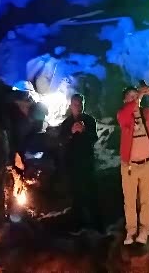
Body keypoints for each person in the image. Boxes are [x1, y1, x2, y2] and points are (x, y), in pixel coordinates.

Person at [117, 82, 149, 246]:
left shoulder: (146, 114)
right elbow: (123, 116)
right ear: (125, 101)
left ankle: (144, 230)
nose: (134, 99)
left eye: (135, 95)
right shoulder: (123, 115)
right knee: (129, 200)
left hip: (147, 164)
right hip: (129, 166)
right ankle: (131, 231)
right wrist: (136, 99)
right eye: (130, 97)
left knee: (146, 199)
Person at [59, 93, 100, 231]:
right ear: (71, 106)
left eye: (81, 103)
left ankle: (94, 224)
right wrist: (71, 132)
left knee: (90, 191)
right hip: (72, 163)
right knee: (75, 192)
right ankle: (77, 223)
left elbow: (94, 139)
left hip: (87, 161)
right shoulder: (66, 123)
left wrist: (84, 131)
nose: (79, 106)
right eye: (76, 104)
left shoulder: (90, 121)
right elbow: (62, 141)